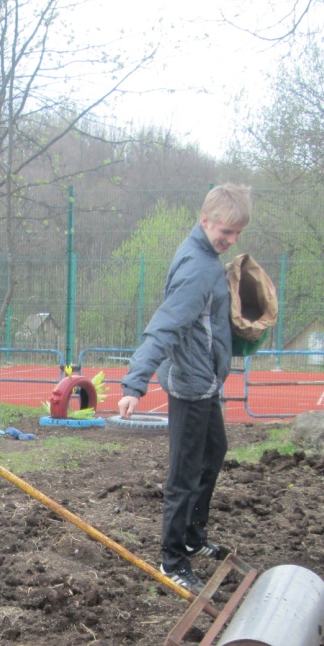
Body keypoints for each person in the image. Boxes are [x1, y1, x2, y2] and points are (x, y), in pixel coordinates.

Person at [116, 184, 252, 595]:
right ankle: (172, 559)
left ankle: (193, 535)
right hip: (191, 386)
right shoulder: (199, 268)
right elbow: (165, 326)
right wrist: (135, 383)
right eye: (224, 231)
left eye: (236, 233)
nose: (228, 240)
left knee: (215, 452)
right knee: (185, 473)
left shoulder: (208, 260)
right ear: (204, 219)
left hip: (204, 381)